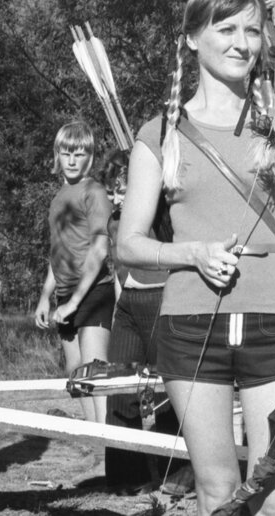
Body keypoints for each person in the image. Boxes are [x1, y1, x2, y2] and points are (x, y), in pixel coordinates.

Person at [117, 0, 275, 516]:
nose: (241, 43)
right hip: (188, 326)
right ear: (191, 38)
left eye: (251, 31)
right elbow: (128, 244)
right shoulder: (160, 133)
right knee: (216, 489)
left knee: (273, 493)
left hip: (274, 326)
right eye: (226, 29)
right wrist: (192, 254)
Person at [101, 149, 192, 494]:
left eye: (122, 191)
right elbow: (118, 270)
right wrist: (119, 306)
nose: (116, 199)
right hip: (128, 305)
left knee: (168, 393)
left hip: (160, 300)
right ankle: (126, 477)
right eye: (111, 192)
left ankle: (178, 474)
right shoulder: (114, 222)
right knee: (119, 390)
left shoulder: (158, 215)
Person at [34, 121, 114, 424]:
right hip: (65, 295)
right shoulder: (59, 198)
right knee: (76, 376)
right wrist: (46, 296)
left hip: (94, 291)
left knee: (95, 375)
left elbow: (100, 250)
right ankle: (97, 440)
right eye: (66, 153)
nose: (71, 160)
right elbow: (59, 252)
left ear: (90, 157)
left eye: (79, 154)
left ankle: (109, 443)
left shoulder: (94, 191)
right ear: (57, 154)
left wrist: (75, 302)